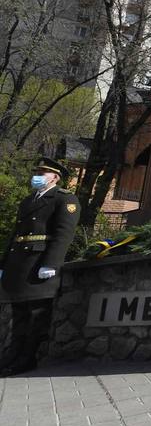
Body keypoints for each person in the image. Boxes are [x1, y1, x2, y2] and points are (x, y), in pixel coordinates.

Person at [0, 157, 80, 376]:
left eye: (43, 173)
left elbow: (64, 234)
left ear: (55, 177)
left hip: (39, 263)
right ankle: (12, 353)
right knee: (20, 314)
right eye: (37, 172)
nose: (37, 176)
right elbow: (15, 234)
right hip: (19, 263)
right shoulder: (28, 200)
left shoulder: (64, 199)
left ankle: (27, 357)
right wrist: (4, 263)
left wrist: (51, 263)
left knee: (36, 314)